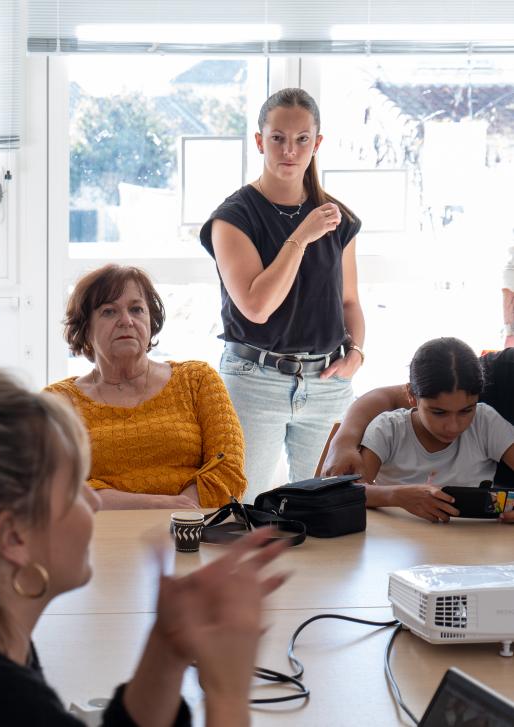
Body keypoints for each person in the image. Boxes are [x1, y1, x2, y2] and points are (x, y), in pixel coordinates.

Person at [0, 369, 288, 727]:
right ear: (13, 537)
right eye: (75, 489)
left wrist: (166, 647)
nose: (94, 501)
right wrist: (226, 692)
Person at [199, 87, 364, 500]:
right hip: (255, 381)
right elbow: (257, 306)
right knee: (240, 509)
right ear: (259, 141)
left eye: (302, 139)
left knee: (327, 509)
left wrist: (357, 352)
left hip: (327, 385)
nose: (289, 150)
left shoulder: (336, 218)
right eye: (278, 138)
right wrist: (302, 235)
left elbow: (349, 302)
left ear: (317, 143)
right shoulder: (232, 218)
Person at [44, 264, 246, 509]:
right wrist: (158, 505)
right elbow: (55, 487)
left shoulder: (197, 379)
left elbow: (229, 467)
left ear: (151, 322)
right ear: (85, 329)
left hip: (194, 531)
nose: (126, 321)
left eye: (137, 309)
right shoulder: (57, 402)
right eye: (109, 311)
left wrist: (180, 513)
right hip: (101, 536)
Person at [330, 339, 514, 524]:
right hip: (394, 543)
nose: (453, 426)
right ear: (411, 395)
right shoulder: (388, 429)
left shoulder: (486, 422)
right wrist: (395, 496)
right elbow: (348, 491)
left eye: (466, 411)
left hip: (474, 544)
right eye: (439, 413)